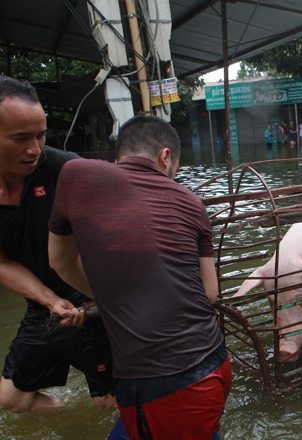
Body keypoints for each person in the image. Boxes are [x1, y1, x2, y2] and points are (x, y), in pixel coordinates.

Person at [48, 115, 232, 439]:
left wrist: (116, 296)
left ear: (118, 154)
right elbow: (209, 294)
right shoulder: (193, 202)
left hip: (163, 383)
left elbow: (60, 262)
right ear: (165, 157)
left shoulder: (77, 175)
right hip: (214, 362)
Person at [0, 75, 115, 414]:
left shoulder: (66, 169)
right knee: (11, 399)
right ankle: (73, 419)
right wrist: (51, 301)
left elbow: (123, 212)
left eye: (40, 134)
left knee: (107, 399)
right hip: (47, 303)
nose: (34, 148)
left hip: (95, 296)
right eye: (21, 138)